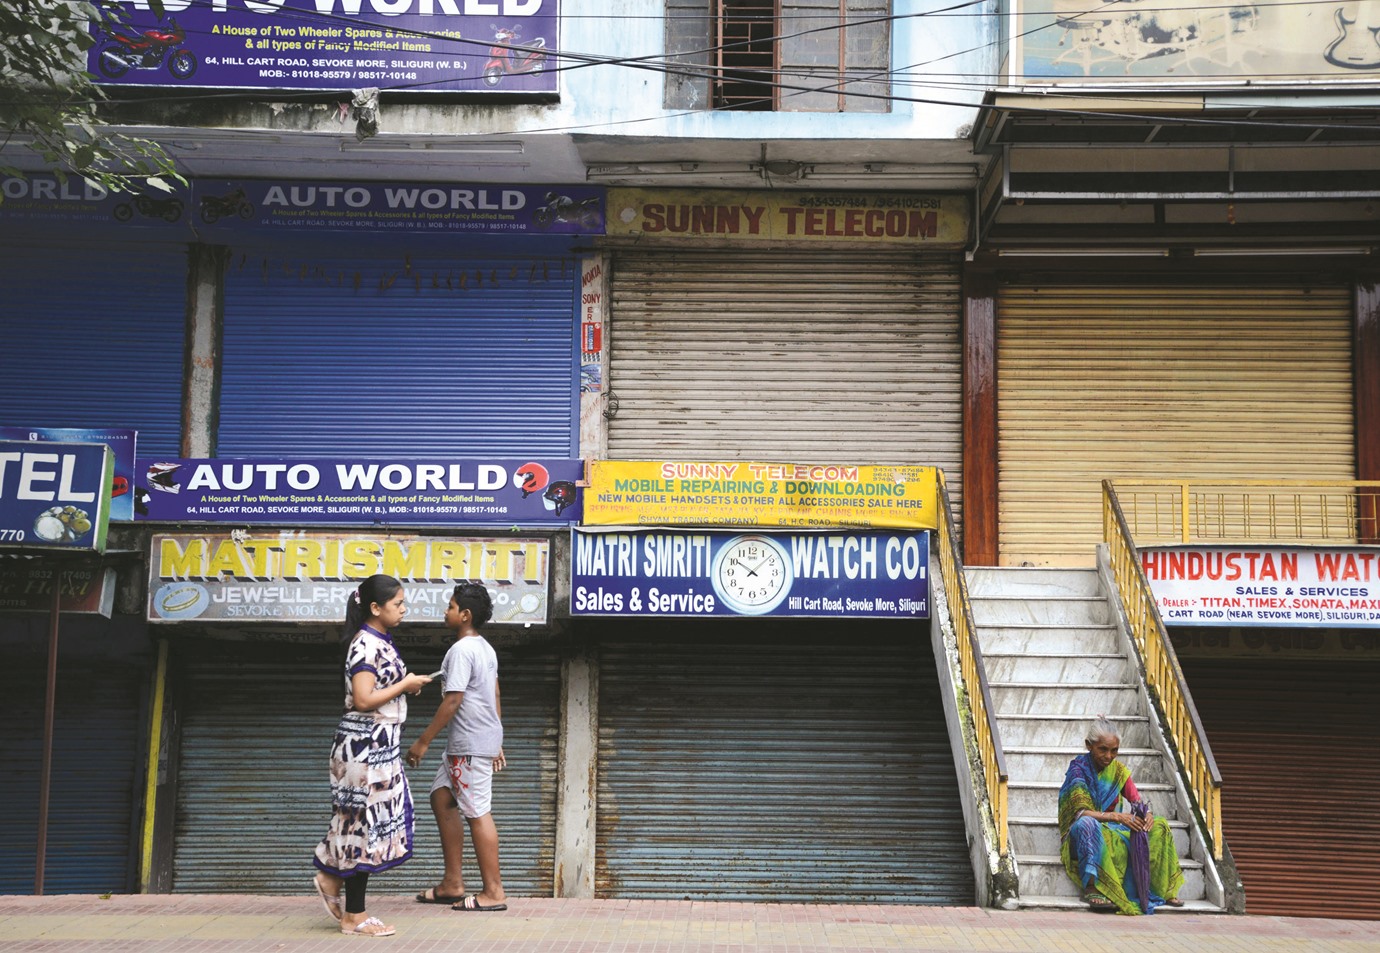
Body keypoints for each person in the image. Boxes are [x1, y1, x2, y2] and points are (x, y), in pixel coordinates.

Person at [313, 574, 433, 937]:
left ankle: (330, 877)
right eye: (398, 604)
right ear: (375, 608)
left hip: (376, 748)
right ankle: (354, 915)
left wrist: (402, 688)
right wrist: (404, 684)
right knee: (361, 827)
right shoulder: (366, 644)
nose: (403, 610)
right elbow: (364, 699)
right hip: (364, 750)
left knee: (358, 823)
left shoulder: (379, 640)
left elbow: (377, 692)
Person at [406, 582, 509, 912]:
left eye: (450, 606)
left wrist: (423, 741)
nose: (445, 611)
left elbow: (454, 700)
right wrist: (498, 738)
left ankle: (494, 892)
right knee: (441, 797)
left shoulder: (462, 650)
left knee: (478, 813)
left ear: (464, 615)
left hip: (469, 743)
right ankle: (453, 883)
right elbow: (494, 694)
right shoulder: (484, 648)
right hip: (471, 742)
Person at [1059, 716, 1186, 914]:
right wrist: (1119, 817)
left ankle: (1161, 889)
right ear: (1089, 746)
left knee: (1160, 826)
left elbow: (1137, 801)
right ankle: (1092, 887)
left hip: (1113, 830)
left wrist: (1148, 814)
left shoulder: (1118, 771)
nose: (1108, 756)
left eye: (1114, 751)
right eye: (1103, 749)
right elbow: (1080, 813)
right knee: (1088, 823)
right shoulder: (1077, 770)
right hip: (1085, 832)